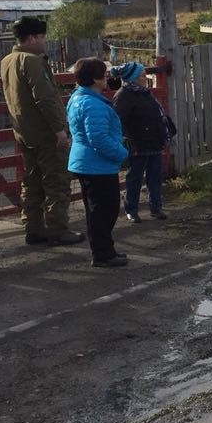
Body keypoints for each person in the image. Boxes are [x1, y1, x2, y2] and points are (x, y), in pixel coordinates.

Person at [0, 17, 84, 246]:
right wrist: (59, 129)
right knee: (56, 180)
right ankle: (58, 229)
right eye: (42, 37)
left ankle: (33, 227)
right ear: (32, 38)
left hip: (24, 131)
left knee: (31, 181)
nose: (45, 42)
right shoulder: (33, 61)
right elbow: (45, 97)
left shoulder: (7, 60)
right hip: (45, 132)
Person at [67, 57, 129, 267]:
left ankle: (105, 250)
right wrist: (121, 153)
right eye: (104, 75)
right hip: (97, 165)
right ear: (95, 79)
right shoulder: (93, 104)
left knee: (98, 210)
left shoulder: (78, 98)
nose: (107, 78)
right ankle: (103, 254)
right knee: (105, 210)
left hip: (88, 163)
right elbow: (98, 138)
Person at [110, 62, 170, 223]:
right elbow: (118, 121)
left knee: (155, 177)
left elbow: (156, 116)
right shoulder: (123, 96)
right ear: (133, 78)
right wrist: (128, 141)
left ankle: (156, 207)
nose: (145, 77)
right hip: (137, 143)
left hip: (153, 141)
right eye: (142, 75)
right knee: (134, 178)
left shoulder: (145, 93)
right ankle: (132, 210)